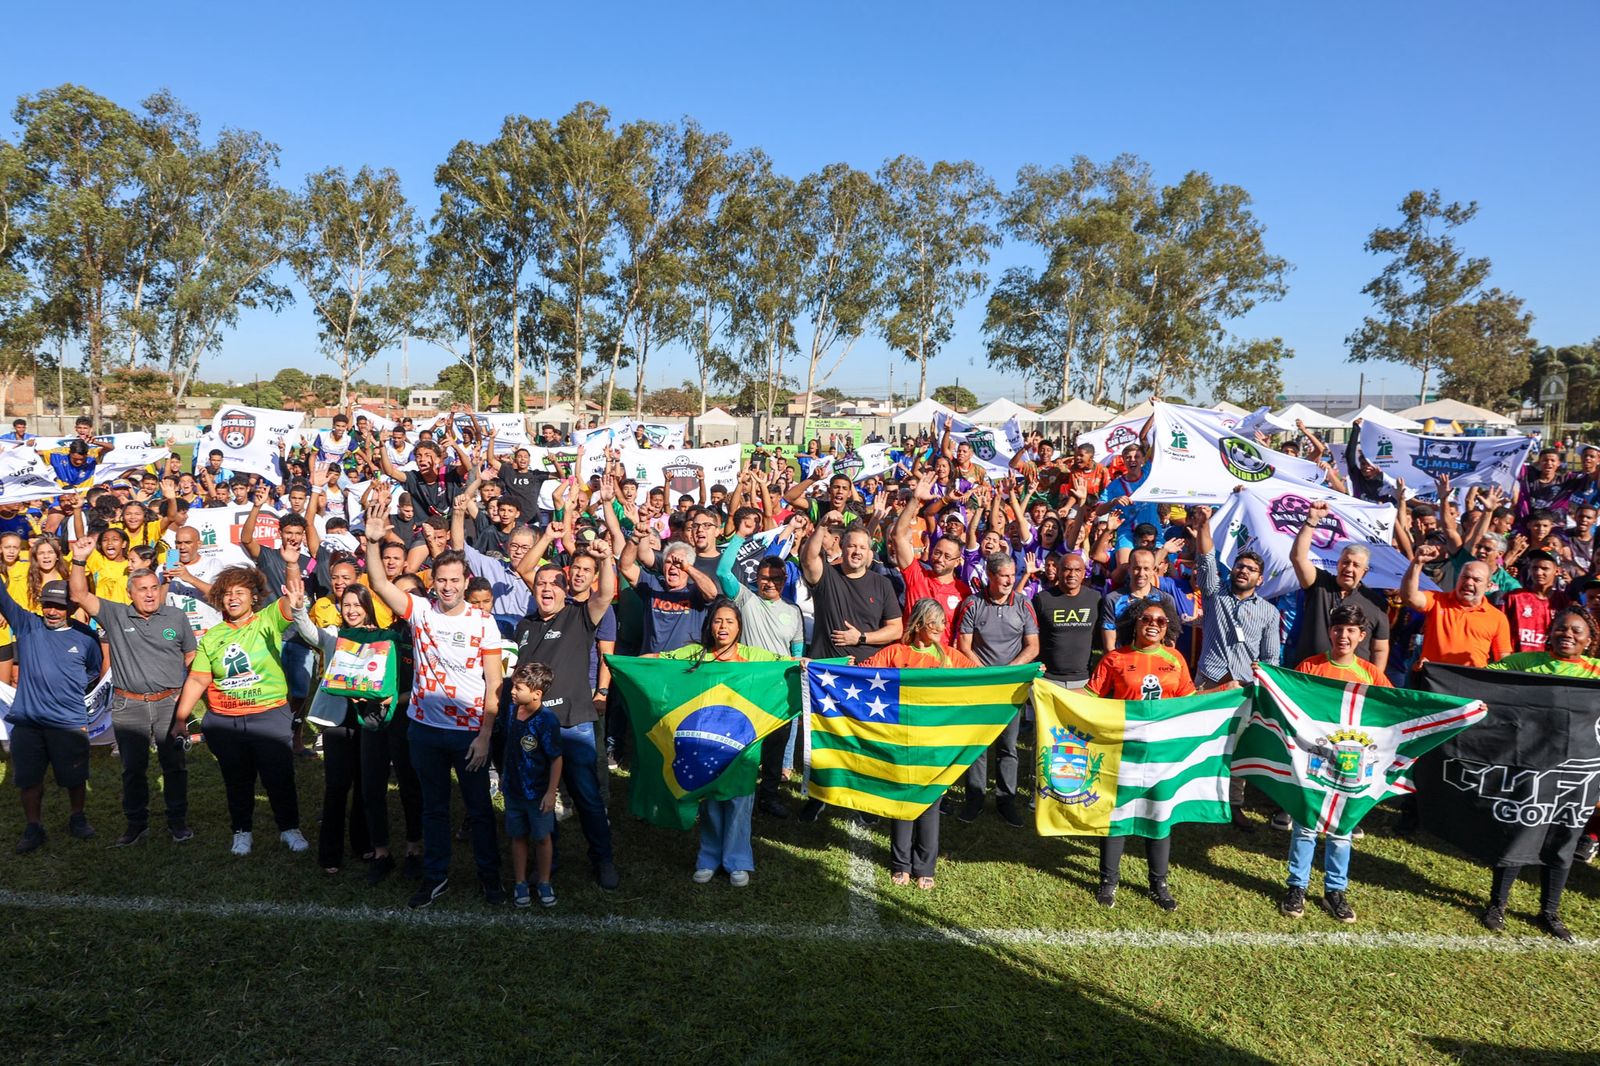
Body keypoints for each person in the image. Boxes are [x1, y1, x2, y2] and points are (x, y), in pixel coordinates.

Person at [363, 486, 506, 908]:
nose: (446, 587)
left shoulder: (484, 623)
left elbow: (494, 684)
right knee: (434, 810)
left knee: (479, 811)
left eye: (454, 581)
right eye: (440, 580)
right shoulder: (420, 610)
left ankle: (489, 877)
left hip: (468, 735)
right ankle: (435, 876)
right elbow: (377, 582)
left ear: (465, 582)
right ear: (434, 582)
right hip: (424, 731)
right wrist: (373, 542)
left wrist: (484, 735)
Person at [1476, 608, 1600, 943]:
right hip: (1532, 766)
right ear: (1550, 632)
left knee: (1564, 839)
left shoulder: (1597, 673)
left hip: (1579, 773)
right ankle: (1497, 904)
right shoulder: (1524, 663)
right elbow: (1481, 681)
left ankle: (1550, 911)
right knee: (1518, 830)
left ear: (1590, 641)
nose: (1568, 635)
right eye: (1561, 628)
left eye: (1576, 631)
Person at [68, 537, 197, 847]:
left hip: (170, 703)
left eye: (154, 588)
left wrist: (188, 699)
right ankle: (136, 823)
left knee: (175, 765)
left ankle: (177, 821)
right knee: (132, 769)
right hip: (129, 705)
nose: (150, 594)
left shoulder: (176, 618)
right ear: (130, 593)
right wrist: (80, 559)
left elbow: (192, 658)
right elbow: (79, 594)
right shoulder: (115, 615)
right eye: (142, 589)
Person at [172, 565, 307, 857]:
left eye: (240, 592)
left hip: (269, 716)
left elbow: (291, 600)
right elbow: (198, 678)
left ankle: (289, 828)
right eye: (227, 593)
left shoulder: (267, 620)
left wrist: (292, 564)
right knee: (237, 780)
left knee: (278, 777)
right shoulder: (211, 636)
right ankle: (242, 832)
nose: (233, 598)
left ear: (254, 598)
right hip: (224, 722)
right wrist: (181, 718)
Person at [511, 537, 622, 891]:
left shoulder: (580, 614)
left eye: (554, 583)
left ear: (566, 589)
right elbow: (524, 568)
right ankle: (548, 857)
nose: (546, 588)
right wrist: (544, 538)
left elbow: (604, 593)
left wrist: (606, 560)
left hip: (573, 724)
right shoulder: (525, 625)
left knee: (587, 795)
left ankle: (602, 859)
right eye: (540, 583)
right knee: (541, 796)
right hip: (535, 727)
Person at [657, 599, 785, 887]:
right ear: (710, 625)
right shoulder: (697, 654)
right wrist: (629, 662)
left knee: (740, 801)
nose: (723, 626)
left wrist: (814, 664)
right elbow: (660, 662)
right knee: (711, 802)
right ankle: (708, 858)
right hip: (705, 743)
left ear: (739, 627)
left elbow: (787, 666)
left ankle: (737, 861)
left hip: (743, 745)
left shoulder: (753, 656)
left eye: (729, 621)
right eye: (718, 621)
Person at [1278, 603, 1392, 925]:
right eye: (1338, 629)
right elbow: (1290, 703)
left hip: (1352, 764)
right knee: (1305, 824)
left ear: (1361, 636)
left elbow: (1393, 712)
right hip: (1315, 761)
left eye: (1350, 631)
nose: (1343, 635)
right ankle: (1297, 887)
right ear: (1330, 631)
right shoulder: (1310, 667)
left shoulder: (1371, 675)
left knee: (1342, 829)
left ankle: (1334, 891)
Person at [861, 598, 979, 890]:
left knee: (930, 803)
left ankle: (925, 866)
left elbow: (982, 677)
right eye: (934, 622)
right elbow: (861, 672)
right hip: (901, 742)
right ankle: (900, 864)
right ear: (918, 624)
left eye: (942, 622)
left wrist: (1025, 675)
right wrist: (817, 666)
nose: (941, 627)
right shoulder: (895, 653)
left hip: (936, 744)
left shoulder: (949, 657)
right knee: (903, 801)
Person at [1084, 601, 1194, 911]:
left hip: (1162, 754)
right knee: (1116, 814)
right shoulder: (1115, 658)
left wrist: (1225, 690)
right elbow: (1091, 697)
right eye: (1146, 617)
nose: (1153, 623)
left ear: (1167, 626)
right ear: (1135, 622)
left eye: (1160, 620)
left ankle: (1158, 882)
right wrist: (1048, 689)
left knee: (1159, 815)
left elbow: (1191, 703)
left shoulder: (1175, 659)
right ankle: (1108, 880)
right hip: (1123, 750)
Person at [291, 583, 402, 875]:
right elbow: (309, 632)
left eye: (357, 605)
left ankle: (363, 843)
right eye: (346, 605)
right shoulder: (334, 636)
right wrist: (298, 607)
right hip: (338, 721)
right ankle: (330, 853)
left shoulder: (382, 637)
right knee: (338, 785)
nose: (351, 611)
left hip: (370, 719)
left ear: (368, 608)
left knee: (366, 783)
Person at [0, 576, 104, 853]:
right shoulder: (27, 625)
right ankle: (33, 826)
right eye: (47, 604)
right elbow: (3, 598)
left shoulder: (85, 636)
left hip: (68, 721)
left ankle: (77, 817)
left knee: (75, 776)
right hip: (27, 721)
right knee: (28, 778)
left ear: (70, 606)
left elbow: (94, 670)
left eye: (58, 605)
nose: (52, 611)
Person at [715, 540, 805, 817]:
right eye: (764, 578)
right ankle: (738, 793)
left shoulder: (794, 612)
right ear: (757, 577)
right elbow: (722, 572)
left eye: (776, 579)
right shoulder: (745, 599)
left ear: (784, 579)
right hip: (747, 688)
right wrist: (741, 537)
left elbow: (797, 654)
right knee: (744, 744)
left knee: (776, 748)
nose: (769, 583)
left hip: (779, 691)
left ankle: (768, 796)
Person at [954, 555, 1039, 827]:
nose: (1009, 580)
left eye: (1012, 575)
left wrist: (1010, 672)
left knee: (1008, 745)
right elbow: (963, 645)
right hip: (980, 686)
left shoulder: (1024, 605)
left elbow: (1033, 646)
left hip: (1011, 688)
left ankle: (1006, 800)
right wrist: (988, 675)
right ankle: (974, 799)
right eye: (1003, 575)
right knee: (977, 746)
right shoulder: (973, 604)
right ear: (990, 576)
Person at [1288, 501, 1391, 670]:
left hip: (1352, 683)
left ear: (1364, 572)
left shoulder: (1376, 603)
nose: (1349, 568)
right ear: (1337, 564)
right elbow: (1298, 557)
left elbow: (1379, 648)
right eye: (1345, 562)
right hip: (1310, 676)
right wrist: (1312, 520)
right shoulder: (1319, 583)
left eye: (1356, 565)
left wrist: (1375, 684)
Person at [502, 661, 563, 908]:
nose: (512, 691)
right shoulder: (511, 710)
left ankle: (544, 881)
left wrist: (550, 792)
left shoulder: (547, 720)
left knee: (542, 838)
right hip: (513, 790)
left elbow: (556, 758)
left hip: (537, 793)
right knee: (517, 836)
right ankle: (520, 883)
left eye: (518, 687)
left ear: (537, 694)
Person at [1400, 543, 1512, 671]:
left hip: (1470, 683)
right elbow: (1409, 597)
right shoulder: (1437, 600)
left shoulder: (1497, 618)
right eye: (1464, 577)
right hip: (1432, 679)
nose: (1469, 583)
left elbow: (1503, 662)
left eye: (1476, 580)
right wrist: (1417, 562)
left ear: (1488, 586)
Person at [1033, 553, 1102, 689]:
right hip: (1048, 679)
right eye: (1067, 569)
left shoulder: (1095, 599)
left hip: (1082, 679)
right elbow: (1029, 634)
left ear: (1083, 574)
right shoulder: (1042, 599)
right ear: (1058, 571)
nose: (1072, 574)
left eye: (1077, 570)